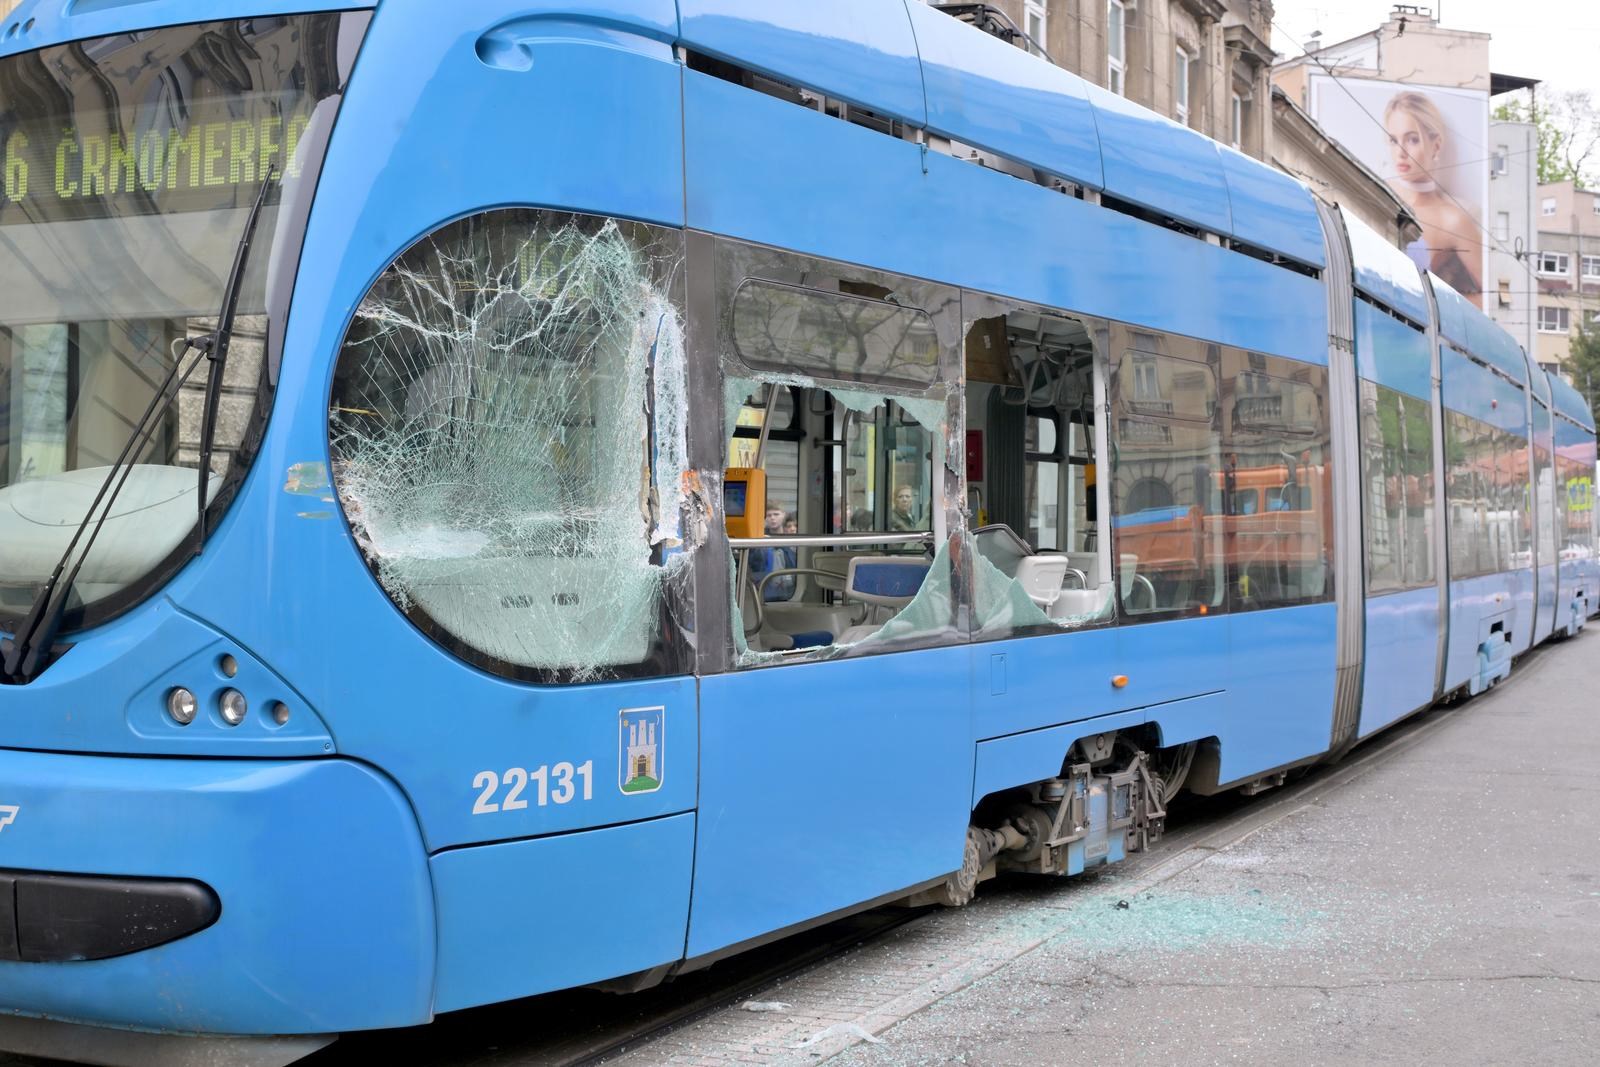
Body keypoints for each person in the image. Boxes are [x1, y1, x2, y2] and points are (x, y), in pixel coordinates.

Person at [1383, 91, 1482, 299]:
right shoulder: (1376, 191)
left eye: (1412, 139)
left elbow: (1490, 295)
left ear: (1436, 145)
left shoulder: (1452, 219)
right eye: (1393, 140)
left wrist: (1440, 307)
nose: (1400, 152)